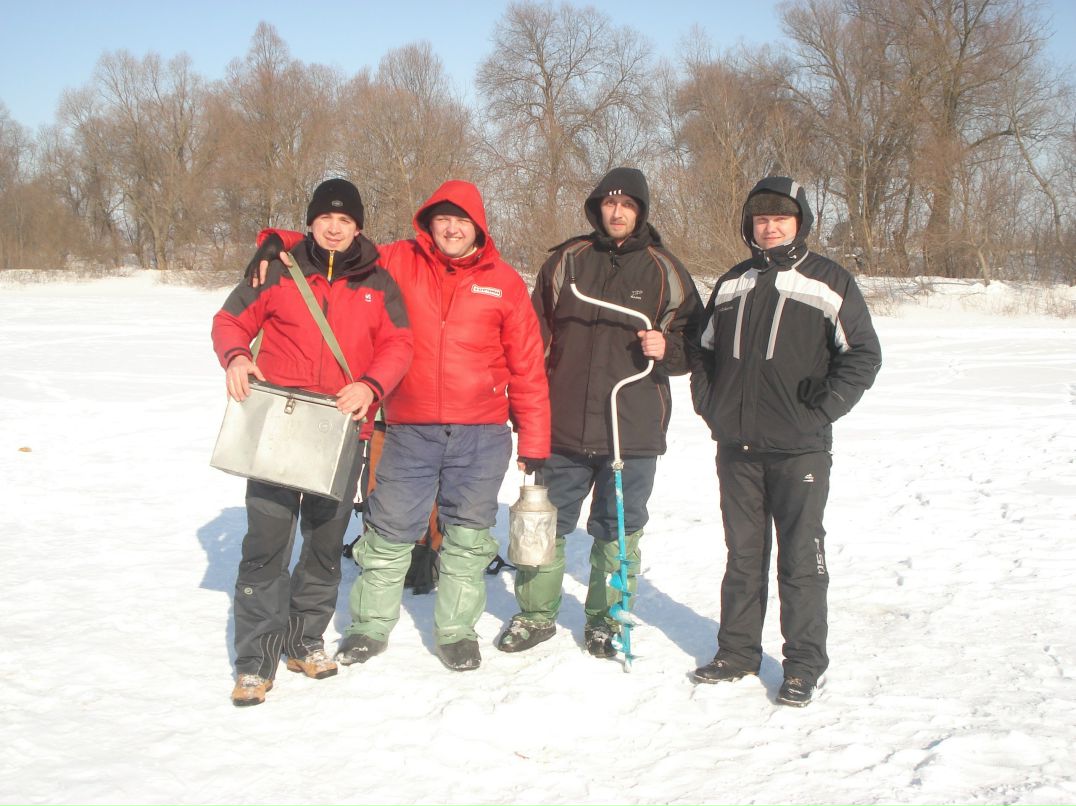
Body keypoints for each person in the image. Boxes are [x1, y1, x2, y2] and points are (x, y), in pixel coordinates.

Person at [251, 180, 550, 671]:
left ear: (479, 226)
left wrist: (535, 439)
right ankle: (369, 626)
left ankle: (455, 631)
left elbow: (528, 368)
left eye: (463, 220)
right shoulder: (397, 260)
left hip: (482, 432)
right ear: (429, 222)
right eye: (443, 219)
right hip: (409, 426)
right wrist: (274, 241)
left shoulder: (506, 281)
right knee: (387, 532)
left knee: (468, 537)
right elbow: (336, 242)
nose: (452, 228)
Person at [211, 178, 413, 706]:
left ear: (358, 227)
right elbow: (231, 318)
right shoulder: (277, 269)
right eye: (326, 217)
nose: (335, 226)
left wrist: (370, 385)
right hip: (280, 425)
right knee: (266, 546)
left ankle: (305, 641)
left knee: (325, 544)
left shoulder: (378, 281)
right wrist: (236, 354)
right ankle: (255, 658)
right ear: (311, 221)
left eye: (345, 220)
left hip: (342, 429)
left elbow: (398, 343)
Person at [687, 176, 881, 706]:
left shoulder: (828, 281)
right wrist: (711, 405)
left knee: (800, 558)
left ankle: (802, 665)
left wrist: (822, 409)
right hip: (737, 448)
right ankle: (736, 652)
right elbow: (701, 352)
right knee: (743, 556)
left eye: (781, 219)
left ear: (800, 223)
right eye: (761, 220)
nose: (770, 229)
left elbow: (863, 354)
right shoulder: (731, 284)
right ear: (749, 225)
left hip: (800, 451)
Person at [494, 167, 703, 659]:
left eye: (627, 205)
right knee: (544, 525)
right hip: (562, 428)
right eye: (609, 204)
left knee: (618, 530)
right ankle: (535, 614)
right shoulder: (567, 262)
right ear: (596, 208)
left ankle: (606, 618)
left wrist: (667, 346)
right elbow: (531, 343)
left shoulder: (664, 271)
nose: (617, 212)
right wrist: (527, 415)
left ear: (641, 211)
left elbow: (696, 345)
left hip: (630, 431)